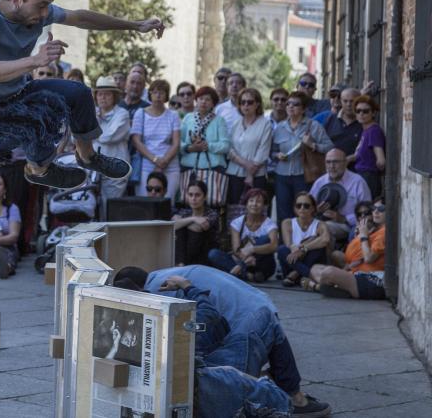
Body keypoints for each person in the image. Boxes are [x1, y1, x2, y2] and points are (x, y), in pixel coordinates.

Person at [0, 0, 164, 190]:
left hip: (18, 92)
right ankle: (39, 170)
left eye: (47, 6)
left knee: (79, 93)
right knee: (36, 118)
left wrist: (135, 25)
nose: (44, 14)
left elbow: (81, 18)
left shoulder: (35, 10)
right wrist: (35, 60)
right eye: (41, 6)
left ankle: (87, 156)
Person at [113, 265, 332, 417]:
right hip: (209, 387)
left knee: (251, 324)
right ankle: (295, 398)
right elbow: (211, 323)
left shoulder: (119, 334)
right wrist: (187, 285)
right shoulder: (159, 315)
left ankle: (286, 389)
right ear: (143, 290)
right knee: (265, 316)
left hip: (197, 376)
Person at [271, 91, 333, 223]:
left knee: (303, 210)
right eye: (288, 103)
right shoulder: (279, 128)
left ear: (304, 108)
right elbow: (272, 152)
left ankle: (302, 241)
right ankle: (284, 242)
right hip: (282, 175)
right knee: (283, 212)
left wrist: (313, 145)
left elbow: (330, 147)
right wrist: (277, 155)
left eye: (296, 104)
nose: (290, 107)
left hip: (303, 175)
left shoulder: (314, 126)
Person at [307, 199, 386, 299]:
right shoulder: (375, 230)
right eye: (374, 209)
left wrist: (363, 236)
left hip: (371, 279)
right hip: (358, 273)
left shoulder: (384, 232)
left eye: (381, 209)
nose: (376, 212)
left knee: (329, 272)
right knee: (315, 268)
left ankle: (321, 286)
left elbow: (369, 258)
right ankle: (338, 288)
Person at [209, 188, 278, 282]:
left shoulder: (269, 224)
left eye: (258, 202)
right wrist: (246, 260)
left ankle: (238, 273)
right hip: (242, 261)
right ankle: (247, 276)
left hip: (262, 264)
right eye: (251, 201)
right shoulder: (237, 223)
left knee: (264, 239)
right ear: (246, 203)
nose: (254, 204)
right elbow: (236, 249)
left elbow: (274, 246)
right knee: (213, 254)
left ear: (264, 205)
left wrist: (252, 249)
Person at [309, 148, 372, 246]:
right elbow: (308, 206)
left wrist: (344, 219)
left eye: (335, 162)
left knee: (325, 228)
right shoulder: (320, 182)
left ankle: (330, 259)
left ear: (345, 162)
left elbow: (368, 213)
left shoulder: (358, 182)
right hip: (322, 222)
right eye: (328, 162)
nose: (331, 166)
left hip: (349, 226)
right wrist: (316, 211)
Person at [130, 79, 180, 200]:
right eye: (155, 92)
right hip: (147, 166)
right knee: (145, 204)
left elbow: (176, 143)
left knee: (168, 204)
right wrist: (155, 160)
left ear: (166, 95)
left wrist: (164, 162)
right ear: (150, 94)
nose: (158, 95)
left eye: (162, 92)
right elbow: (136, 141)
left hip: (170, 166)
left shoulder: (173, 115)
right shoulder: (140, 113)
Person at [226, 88, 272, 204]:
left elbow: (263, 151)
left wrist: (250, 174)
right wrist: (245, 164)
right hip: (234, 173)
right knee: (234, 210)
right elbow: (229, 147)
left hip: (257, 176)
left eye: (250, 102)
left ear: (257, 104)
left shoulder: (265, 124)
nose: (246, 105)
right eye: (243, 102)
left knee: (256, 209)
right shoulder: (236, 123)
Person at [277, 192, 331, 288]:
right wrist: (296, 249)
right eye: (298, 205)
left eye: (306, 206)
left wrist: (304, 249)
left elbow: (325, 240)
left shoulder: (320, 224)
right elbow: (288, 244)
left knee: (318, 248)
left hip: (310, 261)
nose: (302, 208)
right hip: (293, 261)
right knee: (282, 249)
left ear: (313, 208)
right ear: (294, 208)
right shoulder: (287, 223)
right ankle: (306, 274)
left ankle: (295, 274)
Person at [180, 86, 230, 186]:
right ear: (196, 100)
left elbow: (225, 146)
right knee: (189, 200)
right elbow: (178, 142)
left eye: (208, 99)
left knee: (212, 200)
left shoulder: (219, 120)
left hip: (213, 168)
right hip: (189, 168)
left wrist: (207, 146)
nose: (203, 102)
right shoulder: (188, 118)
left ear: (213, 104)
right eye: (201, 98)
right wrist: (190, 148)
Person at [93, 76, 130, 206]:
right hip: (94, 169)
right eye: (100, 94)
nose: (103, 97)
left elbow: (109, 136)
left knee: (110, 207)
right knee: (92, 208)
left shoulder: (122, 114)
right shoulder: (92, 112)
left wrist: (92, 132)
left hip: (115, 170)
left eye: (107, 94)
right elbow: (77, 137)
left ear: (114, 96)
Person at [171, 179, 219, 266]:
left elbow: (201, 226)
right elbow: (172, 226)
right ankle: (181, 264)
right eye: (190, 195)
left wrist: (183, 222)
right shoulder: (185, 212)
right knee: (179, 227)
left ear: (205, 197)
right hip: (186, 253)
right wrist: (193, 219)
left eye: (197, 195)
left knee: (184, 226)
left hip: (205, 253)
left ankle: (183, 264)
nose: (193, 198)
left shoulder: (212, 213)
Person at [353, 95, 385, 197]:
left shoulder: (374, 131)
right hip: (362, 176)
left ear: (373, 113)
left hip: (368, 176)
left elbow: (381, 161)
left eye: (365, 111)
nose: (361, 114)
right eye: (358, 111)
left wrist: (373, 172)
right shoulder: (366, 131)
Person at [321, 87, 362, 164]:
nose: (348, 104)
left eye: (352, 101)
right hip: (331, 168)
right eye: (345, 101)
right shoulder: (330, 119)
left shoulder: (363, 122)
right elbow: (321, 143)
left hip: (355, 169)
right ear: (340, 102)